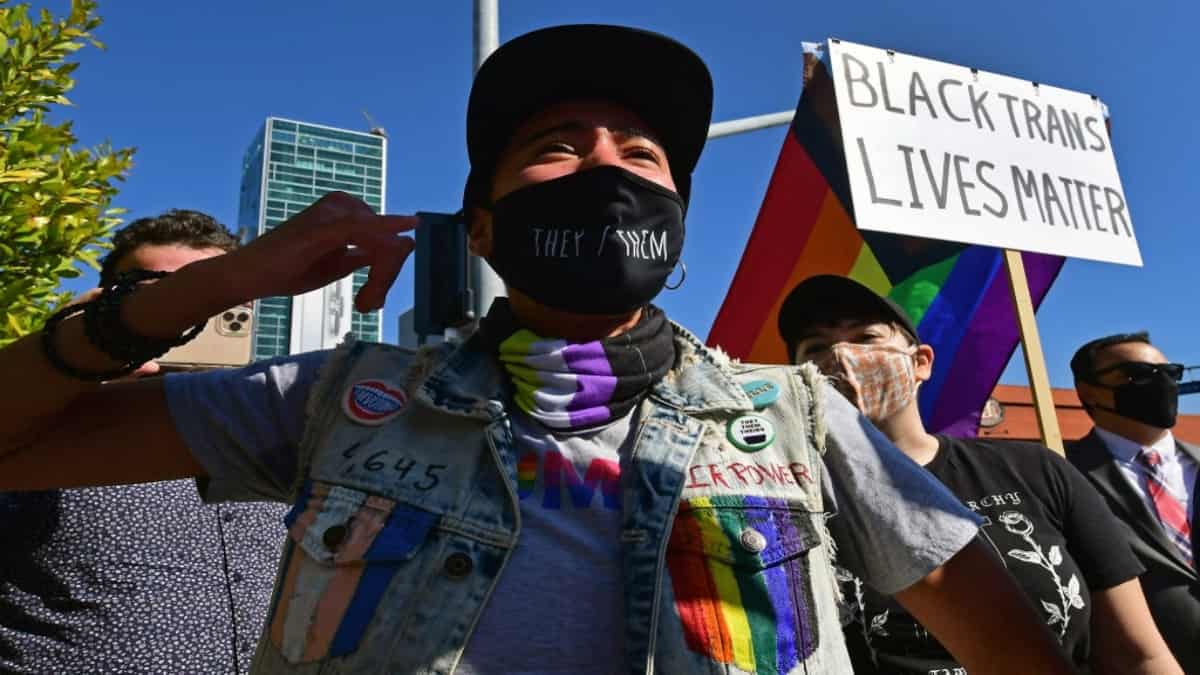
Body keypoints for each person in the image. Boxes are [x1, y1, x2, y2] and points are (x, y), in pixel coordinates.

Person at [0, 25, 1077, 674]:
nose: (605, 169)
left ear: (677, 223)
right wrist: (214, 288)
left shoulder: (799, 415)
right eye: (555, 151)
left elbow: (1012, 647)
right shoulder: (332, 397)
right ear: (481, 230)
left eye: (641, 153)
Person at [778, 274, 1182, 675]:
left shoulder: (1035, 471)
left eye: (866, 338)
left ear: (921, 363)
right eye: (816, 347)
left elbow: (1138, 656)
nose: (840, 356)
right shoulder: (784, 505)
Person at [0, 210, 287, 674]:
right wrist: (68, 359)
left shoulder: (282, 429)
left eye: (205, 298)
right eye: (160, 299)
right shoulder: (34, 422)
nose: (184, 321)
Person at [1068, 332, 1200, 673]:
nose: (1161, 384)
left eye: (1170, 373)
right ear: (1089, 392)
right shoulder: (1062, 474)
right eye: (1137, 374)